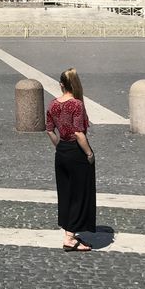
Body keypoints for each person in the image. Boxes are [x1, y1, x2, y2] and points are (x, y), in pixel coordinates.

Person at [46, 68, 97, 252]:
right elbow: (78, 133)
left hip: (61, 152)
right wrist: (89, 154)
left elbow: (49, 130)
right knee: (79, 194)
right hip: (77, 152)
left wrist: (60, 146)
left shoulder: (52, 104)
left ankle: (69, 233)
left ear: (61, 85)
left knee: (65, 193)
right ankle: (69, 237)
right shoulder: (76, 104)